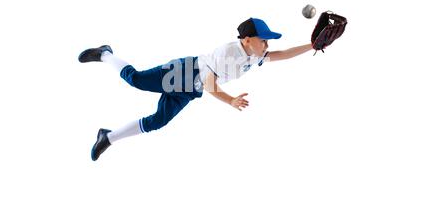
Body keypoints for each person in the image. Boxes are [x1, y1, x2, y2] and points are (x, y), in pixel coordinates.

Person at [78, 18, 313, 161]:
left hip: (191, 89)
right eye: (264, 40)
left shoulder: (254, 55)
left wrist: (312, 45)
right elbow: (211, 84)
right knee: (136, 80)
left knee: (158, 121)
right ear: (248, 39)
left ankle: (107, 137)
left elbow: (281, 55)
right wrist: (230, 101)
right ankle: (104, 53)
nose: (267, 45)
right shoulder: (229, 52)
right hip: (182, 72)